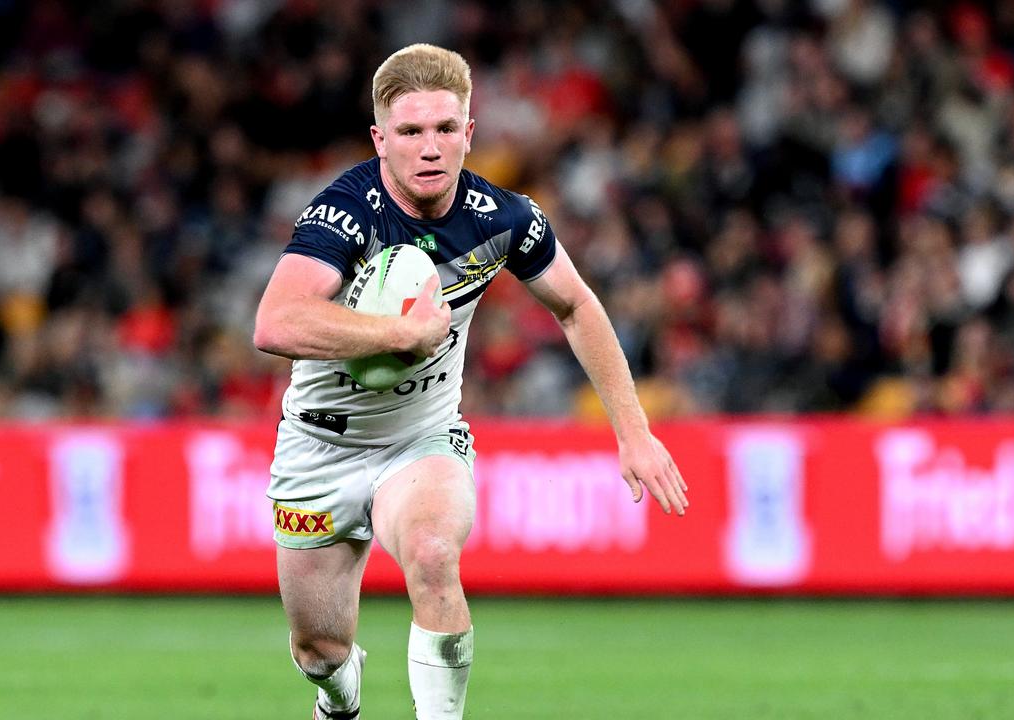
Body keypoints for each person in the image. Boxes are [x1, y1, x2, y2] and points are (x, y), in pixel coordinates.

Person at [253, 43, 689, 720]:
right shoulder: (344, 212)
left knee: (432, 554)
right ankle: (340, 697)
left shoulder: (504, 218)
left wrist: (634, 433)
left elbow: (577, 306)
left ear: (469, 133)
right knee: (319, 648)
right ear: (380, 140)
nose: (429, 148)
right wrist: (400, 334)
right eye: (410, 132)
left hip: (421, 440)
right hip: (319, 448)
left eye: (445, 129)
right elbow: (275, 322)